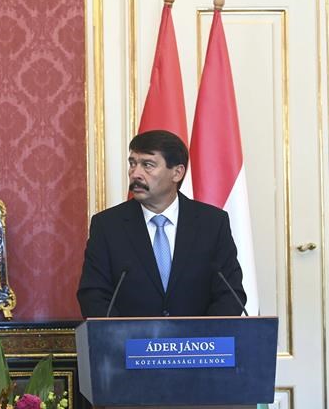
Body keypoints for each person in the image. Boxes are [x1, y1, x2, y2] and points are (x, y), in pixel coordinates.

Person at [77, 130, 246, 317]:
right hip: (128, 336)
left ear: (177, 173)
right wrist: (123, 334)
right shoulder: (107, 226)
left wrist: (204, 334)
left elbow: (230, 294)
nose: (135, 173)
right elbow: (93, 295)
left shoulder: (212, 223)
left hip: (199, 336)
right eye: (132, 164)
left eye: (147, 165)